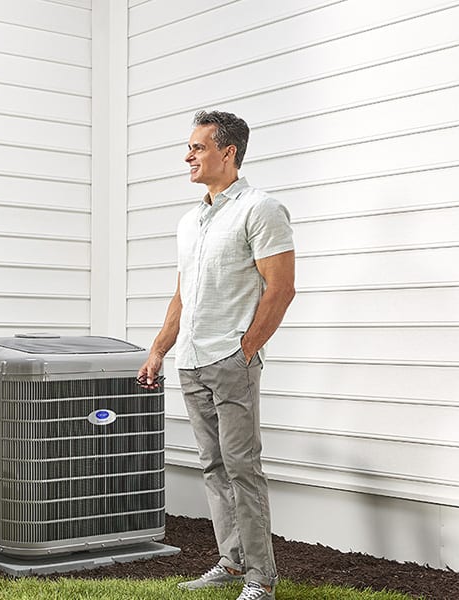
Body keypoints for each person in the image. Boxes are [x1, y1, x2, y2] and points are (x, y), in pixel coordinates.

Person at [137, 111, 295, 600]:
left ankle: (260, 579)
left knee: (242, 467)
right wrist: (159, 349)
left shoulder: (260, 208)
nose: (188, 156)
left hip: (231, 360)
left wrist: (245, 349)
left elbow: (281, 289)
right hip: (191, 360)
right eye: (189, 147)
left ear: (227, 153)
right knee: (213, 467)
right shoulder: (191, 221)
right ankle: (231, 561)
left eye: (197, 147)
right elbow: (183, 295)